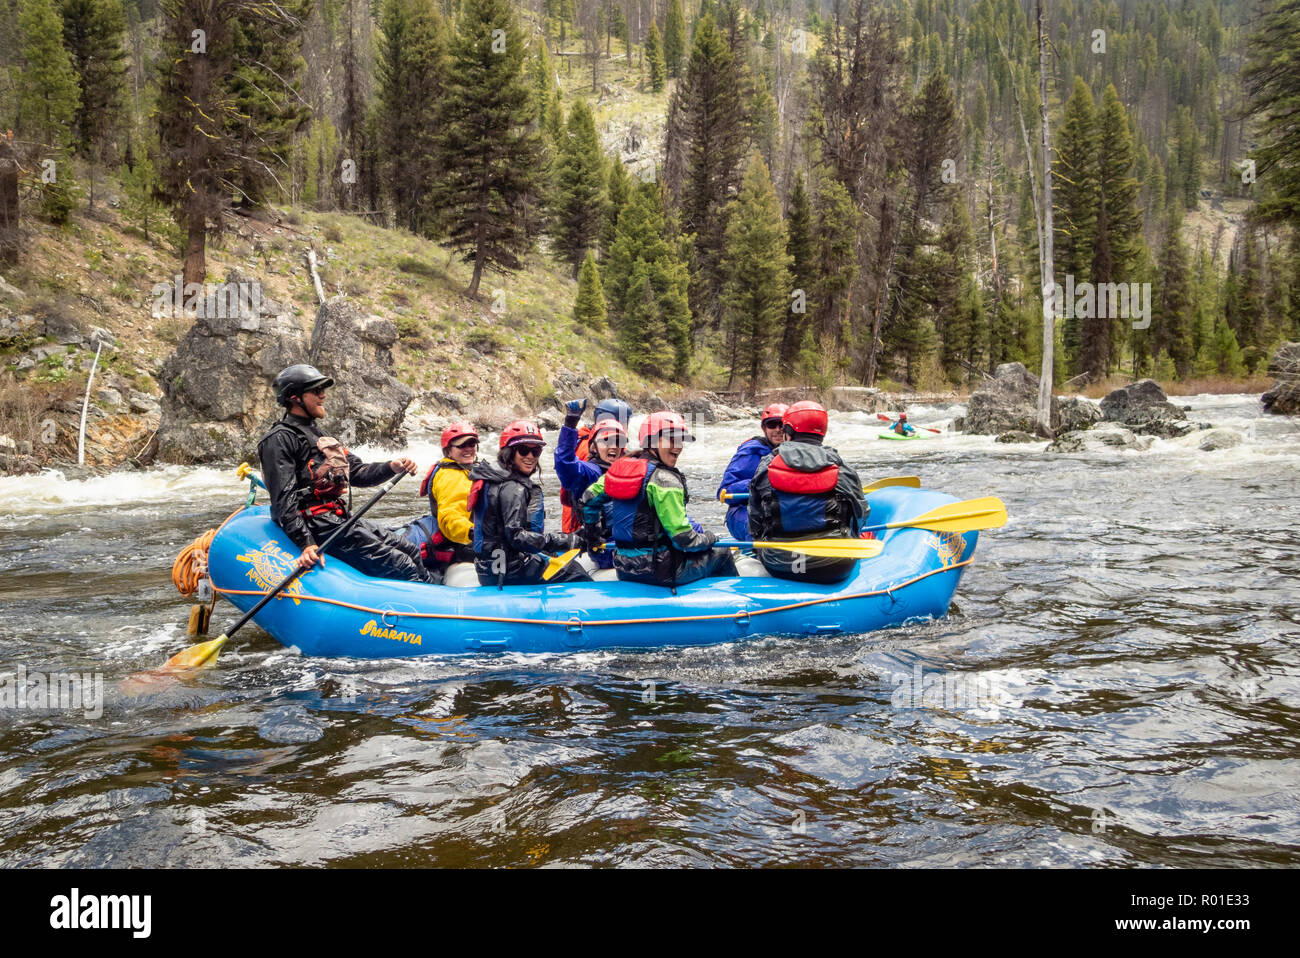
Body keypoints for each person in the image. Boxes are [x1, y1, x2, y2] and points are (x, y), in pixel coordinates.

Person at [258, 363, 437, 583]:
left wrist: (392, 466)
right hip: (318, 525)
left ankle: (438, 596)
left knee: (410, 549)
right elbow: (283, 500)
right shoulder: (279, 439)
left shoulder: (319, 434)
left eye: (322, 389)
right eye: (316, 390)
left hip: (338, 517)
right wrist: (305, 543)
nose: (323, 395)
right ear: (295, 398)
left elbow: (358, 473)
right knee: (402, 565)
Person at [580, 410, 737, 588]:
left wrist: (593, 536)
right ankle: (737, 604)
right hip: (661, 571)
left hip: (623, 567)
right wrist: (709, 538)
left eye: (680, 440)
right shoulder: (665, 480)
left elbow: (588, 499)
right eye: (671, 439)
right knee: (722, 551)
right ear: (652, 441)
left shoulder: (621, 469)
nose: (678, 446)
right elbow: (684, 538)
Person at [747, 400, 869, 583]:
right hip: (834, 565)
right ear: (823, 431)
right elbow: (861, 514)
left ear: (788, 430)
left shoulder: (766, 466)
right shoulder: (840, 467)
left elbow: (754, 521)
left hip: (780, 565)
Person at [469, 420, 590, 586]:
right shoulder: (512, 487)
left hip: (491, 568)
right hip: (510, 571)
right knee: (574, 571)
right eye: (524, 450)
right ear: (509, 452)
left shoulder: (491, 477)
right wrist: (564, 541)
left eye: (536, 451)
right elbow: (516, 536)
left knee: (555, 559)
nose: (530, 457)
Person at [555, 398, 627, 568]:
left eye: (618, 442)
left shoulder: (626, 469)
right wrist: (570, 423)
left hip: (626, 543)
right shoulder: (589, 472)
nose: (613, 447)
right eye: (606, 441)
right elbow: (565, 463)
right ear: (593, 447)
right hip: (606, 549)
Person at [399, 421, 479, 573]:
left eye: (472, 443)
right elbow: (450, 515)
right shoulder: (451, 476)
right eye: (462, 445)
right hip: (451, 539)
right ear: (448, 451)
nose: (468, 449)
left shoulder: (466, 469)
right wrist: (473, 532)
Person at [716, 402, 788, 539]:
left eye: (782, 425)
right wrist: (759, 484)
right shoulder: (750, 452)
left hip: (777, 510)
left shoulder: (796, 453)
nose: (778, 429)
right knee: (757, 529)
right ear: (764, 428)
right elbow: (724, 492)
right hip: (743, 510)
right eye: (772, 425)